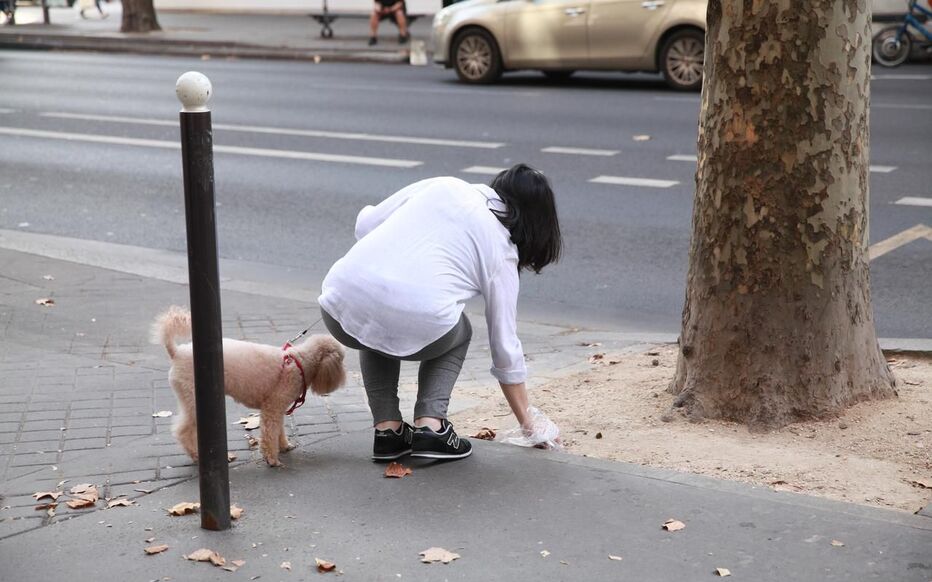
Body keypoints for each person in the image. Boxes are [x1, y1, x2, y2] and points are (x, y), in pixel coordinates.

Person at [319, 164, 562, 461]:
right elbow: (505, 346)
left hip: (338, 303)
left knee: (376, 324)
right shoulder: (502, 250)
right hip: (408, 322)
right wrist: (530, 425)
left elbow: (365, 225)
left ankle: (388, 432)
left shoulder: (443, 184)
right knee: (459, 331)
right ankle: (431, 425)